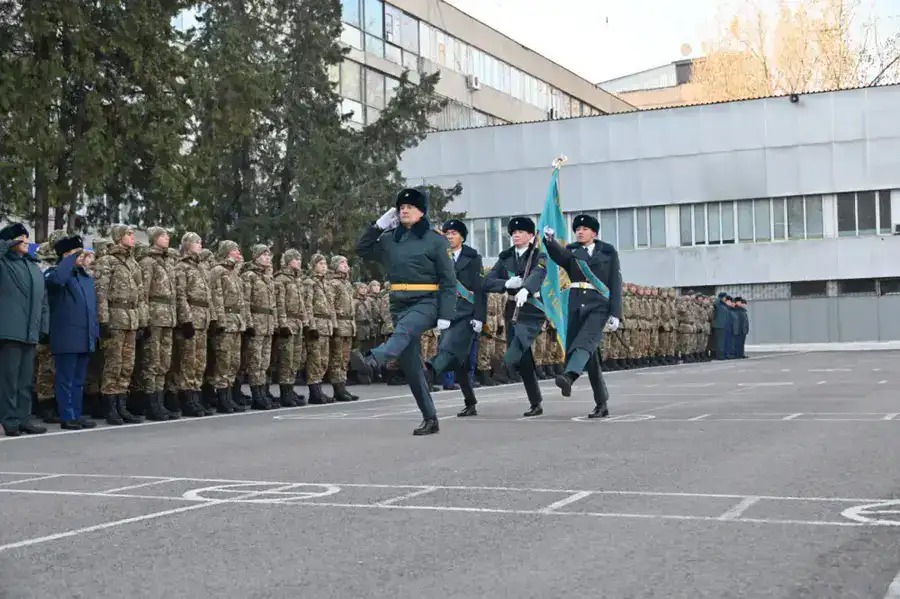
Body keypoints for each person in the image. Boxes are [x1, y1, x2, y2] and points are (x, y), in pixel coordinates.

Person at [356, 187, 457, 436]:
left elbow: (448, 280)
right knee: (412, 366)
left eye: (410, 207)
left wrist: (446, 314)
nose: (404, 210)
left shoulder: (436, 240)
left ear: (421, 212)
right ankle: (430, 418)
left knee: (403, 331)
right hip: (399, 302)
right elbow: (362, 249)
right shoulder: (390, 239)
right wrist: (377, 227)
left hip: (427, 301)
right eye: (401, 207)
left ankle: (374, 359)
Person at [542, 214, 622, 419]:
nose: (580, 232)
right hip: (577, 304)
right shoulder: (572, 251)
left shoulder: (608, 251)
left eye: (585, 229)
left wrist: (616, 313)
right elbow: (559, 256)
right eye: (577, 229)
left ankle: (569, 376)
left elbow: (615, 281)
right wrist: (550, 241)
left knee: (585, 342)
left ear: (594, 233)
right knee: (589, 356)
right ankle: (601, 403)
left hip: (599, 304)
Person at [484, 217, 548, 417]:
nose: (516, 235)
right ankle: (535, 402)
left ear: (530, 235)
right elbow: (487, 282)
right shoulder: (505, 257)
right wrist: (506, 284)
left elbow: (539, 274)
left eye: (521, 232)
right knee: (524, 359)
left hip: (532, 308)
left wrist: (526, 289)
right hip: (512, 308)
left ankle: (504, 366)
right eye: (513, 233)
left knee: (519, 343)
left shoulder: (538, 255)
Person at [425, 219, 485, 417]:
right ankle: (470, 402)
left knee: (448, 348)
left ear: (462, 237)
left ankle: (429, 370)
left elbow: (479, 289)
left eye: (454, 233)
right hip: (447, 313)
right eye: (447, 233)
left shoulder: (473, 258)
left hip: (467, 314)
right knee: (460, 363)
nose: (450, 237)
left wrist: (479, 316)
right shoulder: (440, 256)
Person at [44, 235, 100, 429]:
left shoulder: (84, 277)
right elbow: (57, 280)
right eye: (77, 253)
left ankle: (76, 414)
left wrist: (95, 332)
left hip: (85, 336)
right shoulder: (55, 273)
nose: (81, 257)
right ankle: (67, 416)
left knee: (78, 380)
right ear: (66, 255)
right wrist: (69, 259)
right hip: (66, 336)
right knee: (65, 379)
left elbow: (92, 308)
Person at [0, 223, 50, 436]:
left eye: (27, 237)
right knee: (9, 380)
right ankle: (9, 420)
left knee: (25, 380)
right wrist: (4, 244)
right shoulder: (4, 263)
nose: (26, 241)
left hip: (31, 331)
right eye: (22, 237)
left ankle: (24, 418)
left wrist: (44, 327)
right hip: (9, 330)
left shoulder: (32, 266)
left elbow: (43, 301)